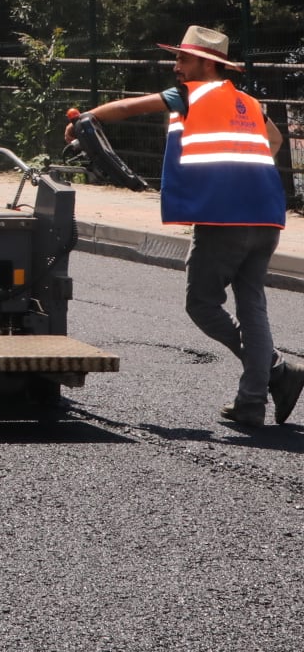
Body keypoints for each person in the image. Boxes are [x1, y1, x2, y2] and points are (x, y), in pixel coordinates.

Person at [67, 25, 303, 428]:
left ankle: (276, 370)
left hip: (222, 218)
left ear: (208, 64)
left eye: (183, 58)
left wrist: (83, 119)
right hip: (265, 214)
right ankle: (252, 401)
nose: (176, 66)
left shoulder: (190, 94)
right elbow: (275, 140)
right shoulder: (248, 101)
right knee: (252, 305)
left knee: (202, 304)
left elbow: (127, 109)